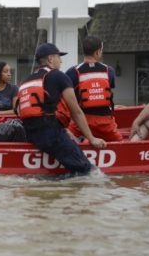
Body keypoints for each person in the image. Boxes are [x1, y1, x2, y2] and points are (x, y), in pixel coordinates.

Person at [17, 43, 106, 175]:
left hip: (32, 136)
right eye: (59, 57)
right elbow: (75, 111)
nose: (61, 61)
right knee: (90, 172)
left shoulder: (26, 81)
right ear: (50, 59)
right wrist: (91, 138)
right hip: (51, 135)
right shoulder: (58, 76)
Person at [65, 35, 122, 142]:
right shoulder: (109, 71)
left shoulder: (72, 72)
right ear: (97, 52)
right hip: (105, 124)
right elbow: (107, 94)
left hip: (80, 124)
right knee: (120, 143)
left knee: (68, 136)